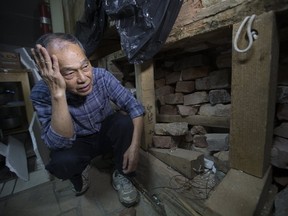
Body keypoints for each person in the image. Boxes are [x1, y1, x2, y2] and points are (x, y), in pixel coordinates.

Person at [30, 33, 145, 207]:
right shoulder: (41, 94)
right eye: (69, 73)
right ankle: (80, 172)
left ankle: (121, 174)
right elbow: (57, 143)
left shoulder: (101, 76)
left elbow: (134, 107)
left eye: (85, 66)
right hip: (77, 142)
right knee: (62, 162)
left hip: (103, 134)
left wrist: (135, 148)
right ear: (50, 75)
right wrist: (58, 94)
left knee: (124, 122)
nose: (83, 78)